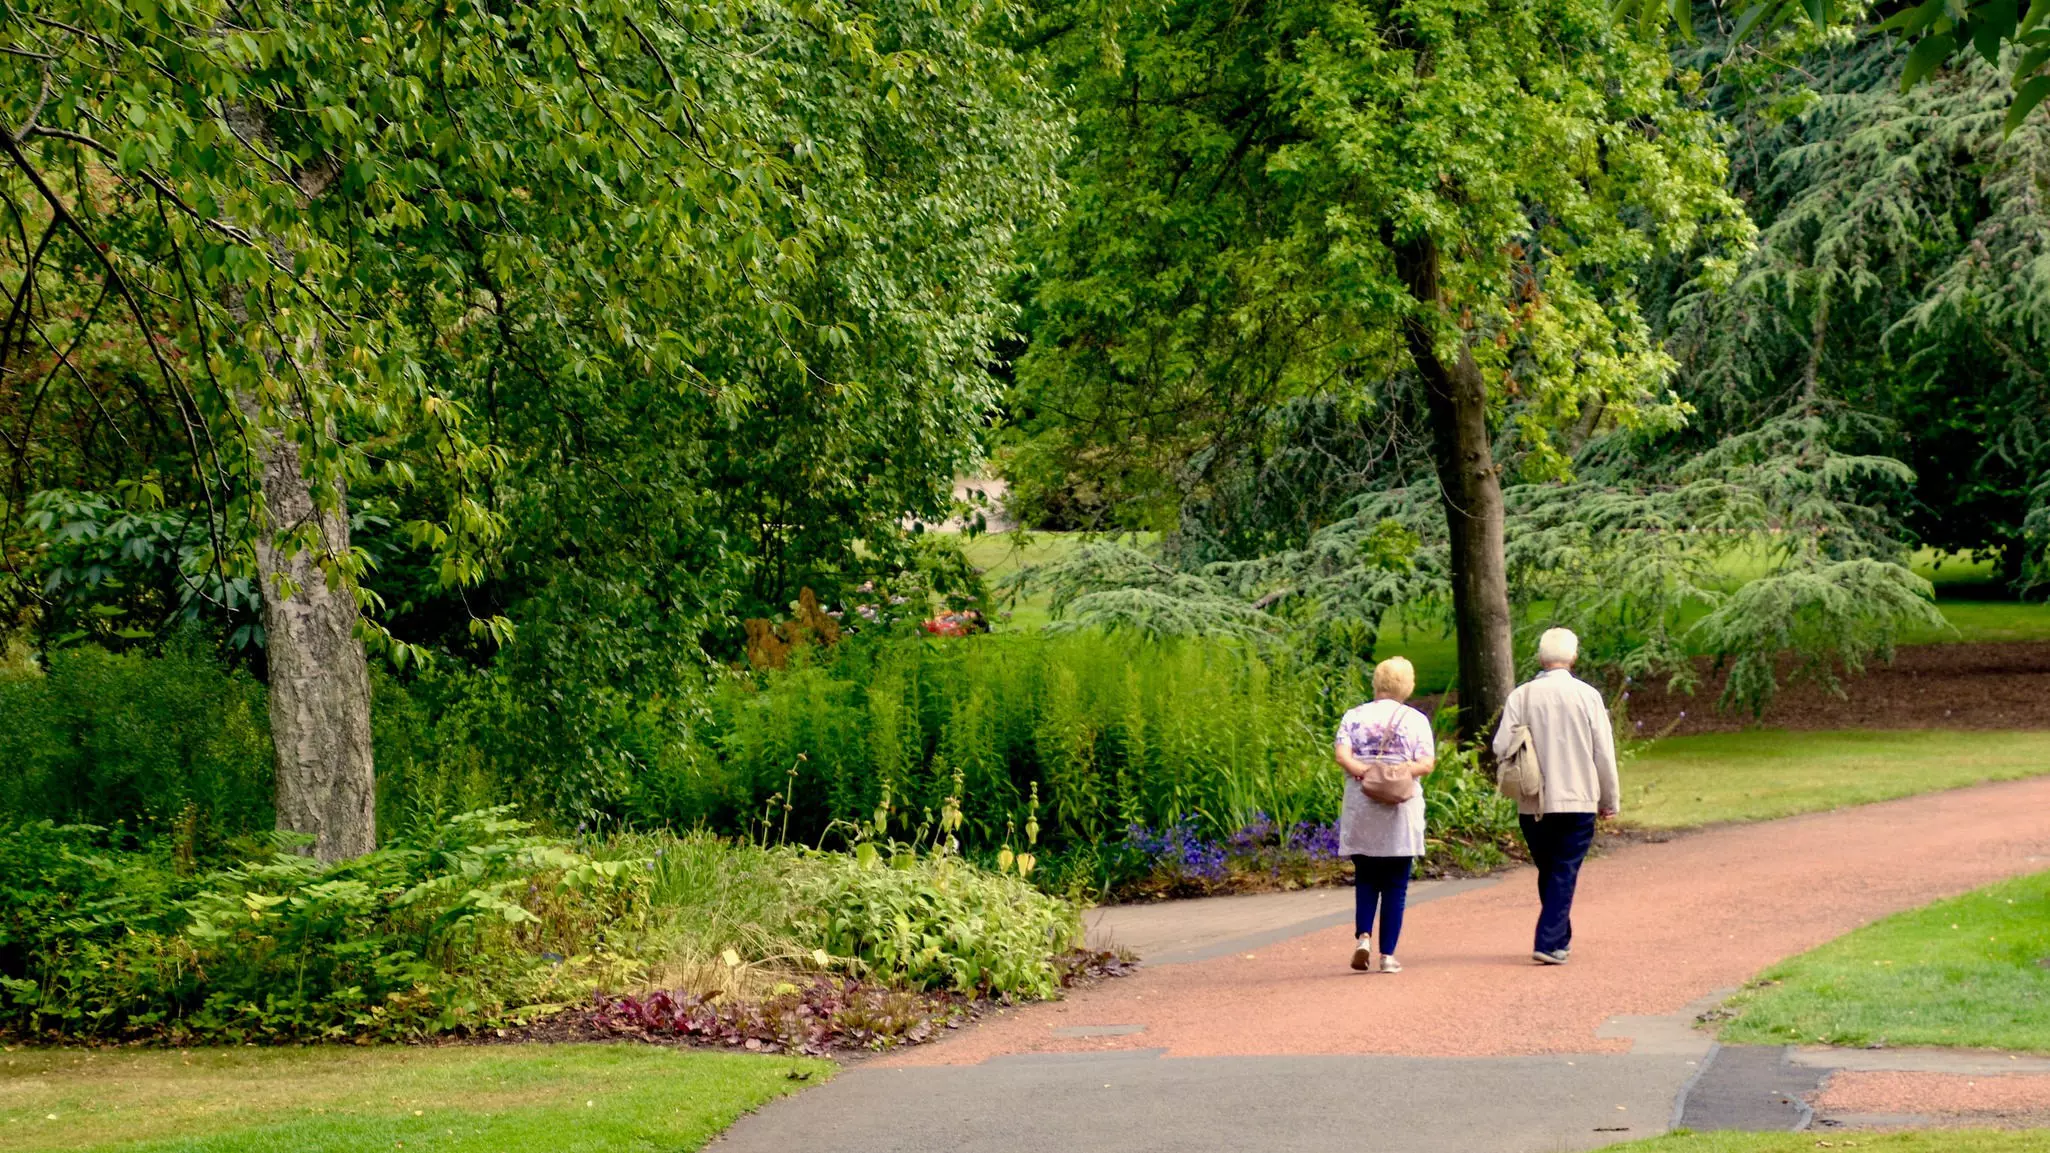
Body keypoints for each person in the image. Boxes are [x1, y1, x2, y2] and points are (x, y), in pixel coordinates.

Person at [1491, 627, 1620, 966]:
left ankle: (1558, 939)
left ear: (1540, 658)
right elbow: (1603, 754)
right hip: (1578, 797)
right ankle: (1549, 942)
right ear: (1573, 658)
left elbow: (1501, 745)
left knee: (1550, 869)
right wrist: (1610, 799)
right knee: (1563, 869)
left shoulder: (1521, 696)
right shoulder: (1588, 696)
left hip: (1533, 799)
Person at [1333, 656, 1437, 974]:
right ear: (1407, 686)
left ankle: (1363, 936)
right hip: (1400, 808)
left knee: (1365, 877)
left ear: (1377, 683)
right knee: (1395, 884)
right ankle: (1387, 955)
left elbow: (1341, 755)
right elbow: (1426, 763)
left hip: (1362, 805)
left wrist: (1365, 772)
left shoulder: (1353, 716)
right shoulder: (1416, 719)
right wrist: (1397, 772)